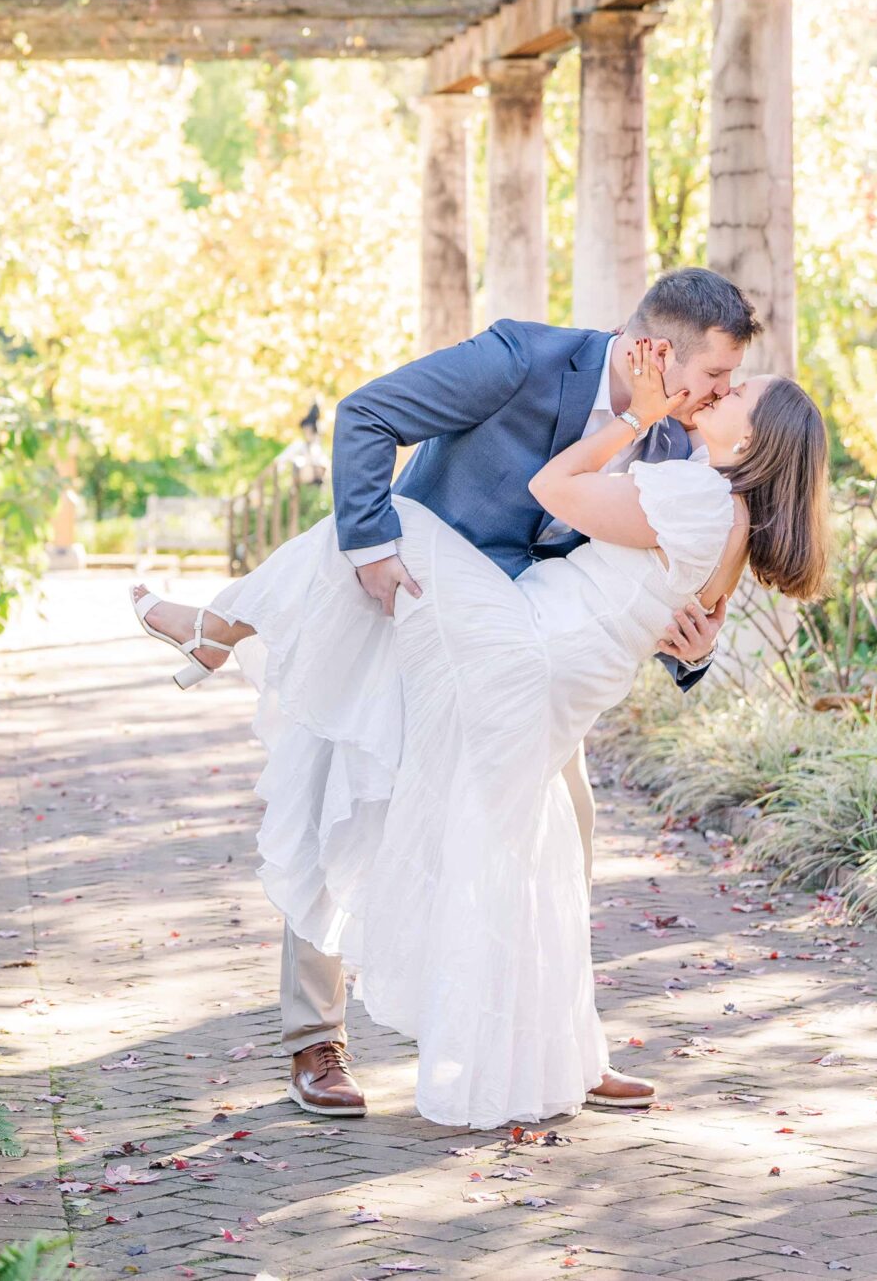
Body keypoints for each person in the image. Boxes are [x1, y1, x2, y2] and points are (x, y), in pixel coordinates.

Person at [134, 269, 797, 1120]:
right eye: (713, 375)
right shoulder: (521, 358)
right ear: (658, 352)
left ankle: (559, 1044)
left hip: (524, 657)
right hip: (407, 604)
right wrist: (372, 550)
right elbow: (366, 415)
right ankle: (316, 1038)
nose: (718, 392)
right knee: (342, 795)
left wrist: (692, 654)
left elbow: (657, 587)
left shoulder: (674, 443)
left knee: (564, 829)